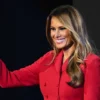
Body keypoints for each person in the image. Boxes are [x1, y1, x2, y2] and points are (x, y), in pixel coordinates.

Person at [0, 5, 100, 100]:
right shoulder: (48, 59)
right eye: (53, 29)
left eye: (62, 28)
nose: (56, 35)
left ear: (74, 30)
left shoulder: (91, 62)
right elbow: (8, 80)